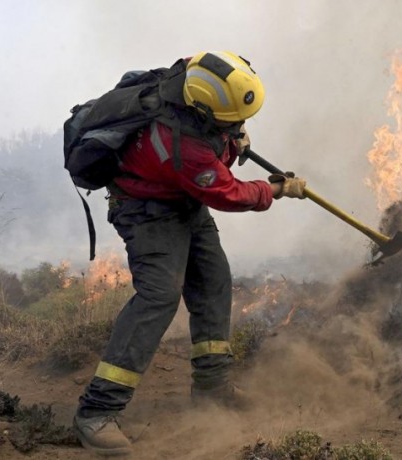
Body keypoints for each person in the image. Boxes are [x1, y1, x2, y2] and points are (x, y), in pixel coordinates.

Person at [72, 51, 306, 456]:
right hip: (146, 209)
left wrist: (234, 137)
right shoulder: (178, 144)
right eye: (232, 120)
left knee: (213, 282)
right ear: (205, 111)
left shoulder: (195, 79)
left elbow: (217, 151)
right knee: (159, 296)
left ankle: (213, 388)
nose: (239, 124)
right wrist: (276, 189)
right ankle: (97, 412)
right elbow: (228, 193)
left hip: (183, 199)